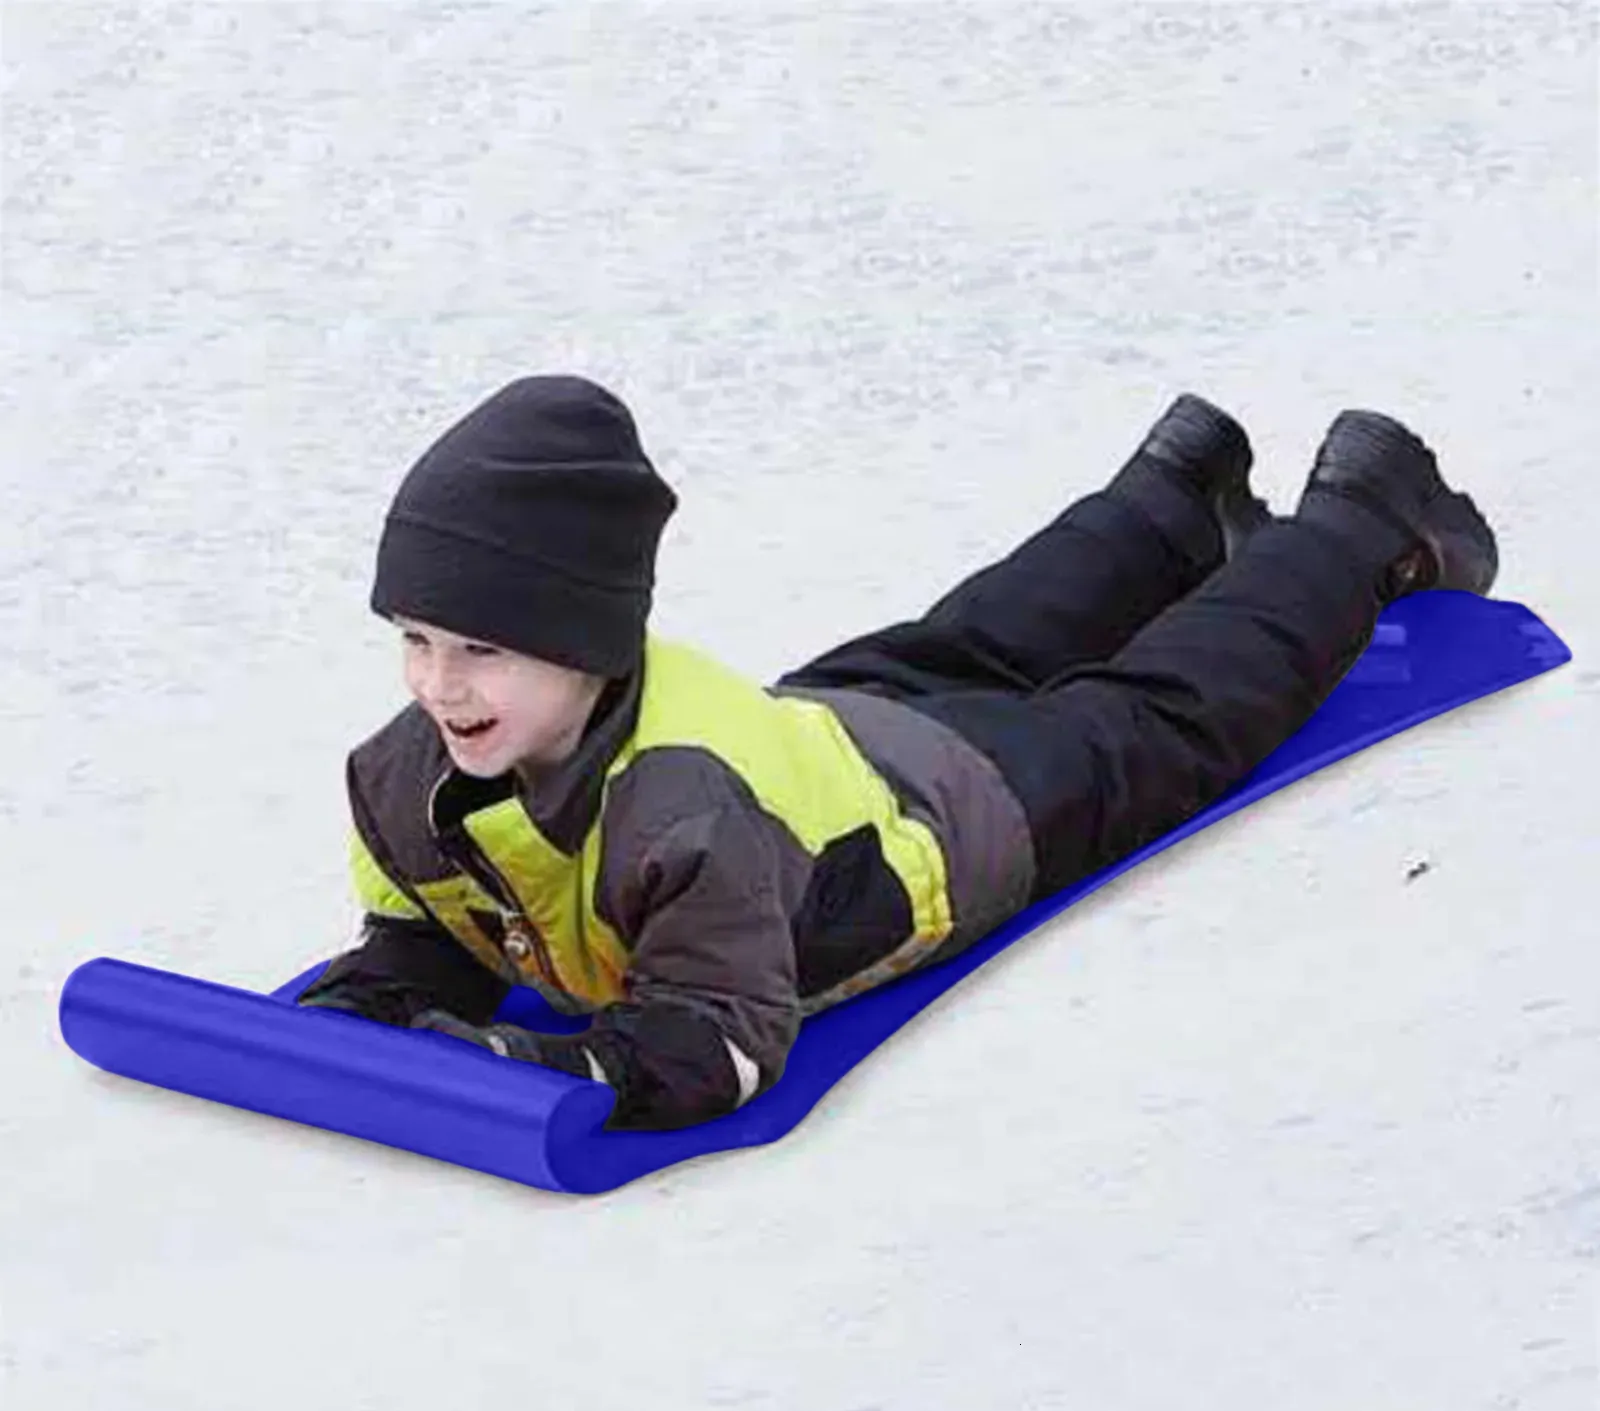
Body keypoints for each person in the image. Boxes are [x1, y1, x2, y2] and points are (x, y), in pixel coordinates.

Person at [295, 373, 1499, 1131]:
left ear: (591, 648)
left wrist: (528, 1059)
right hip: (823, 732)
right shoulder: (398, 778)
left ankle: (1363, 520)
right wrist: (383, 1001)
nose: (438, 686)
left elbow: (719, 1040)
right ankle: (1174, 496)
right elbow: (426, 937)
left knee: (1164, 711)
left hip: (957, 822)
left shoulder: (685, 817)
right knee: (978, 634)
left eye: (483, 651)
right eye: (415, 639)